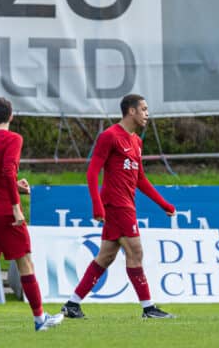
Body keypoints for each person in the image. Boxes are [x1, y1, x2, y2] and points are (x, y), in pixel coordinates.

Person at [61, 94, 176, 319]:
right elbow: (92, 171)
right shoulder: (110, 136)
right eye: (143, 109)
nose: (146, 113)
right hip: (116, 205)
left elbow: (140, 179)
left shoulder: (136, 141)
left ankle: (72, 305)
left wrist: (163, 204)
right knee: (136, 251)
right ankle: (148, 308)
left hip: (126, 204)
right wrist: (97, 205)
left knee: (106, 257)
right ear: (131, 111)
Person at [0, 97, 64, 333]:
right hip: (5, 213)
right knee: (26, 264)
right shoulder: (13, 138)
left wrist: (13, 183)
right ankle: (39, 318)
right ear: (11, 116)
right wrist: (15, 205)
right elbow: (8, 170)